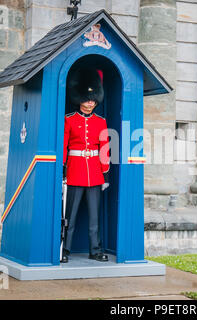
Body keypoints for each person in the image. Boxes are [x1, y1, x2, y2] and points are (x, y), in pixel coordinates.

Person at [62, 68, 110, 263]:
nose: (90, 102)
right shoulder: (69, 120)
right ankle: (65, 249)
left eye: (93, 99)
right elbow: (64, 146)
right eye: (87, 98)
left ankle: (95, 250)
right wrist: (63, 171)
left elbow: (105, 150)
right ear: (79, 98)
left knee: (93, 218)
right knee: (70, 217)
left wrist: (105, 175)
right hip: (74, 171)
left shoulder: (101, 122)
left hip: (95, 174)